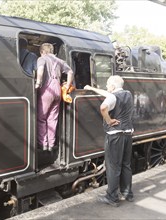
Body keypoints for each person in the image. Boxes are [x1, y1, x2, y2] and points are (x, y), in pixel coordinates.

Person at [84, 75, 134, 207]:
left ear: (112, 86)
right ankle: (127, 193)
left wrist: (109, 120)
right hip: (128, 134)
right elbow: (109, 94)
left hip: (115, 135)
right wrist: (92, 88)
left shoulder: (112, 97)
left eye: (107, 84)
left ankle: (112, 197)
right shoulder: (128, 94)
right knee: (126, 165)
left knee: (113, 166)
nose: (106, 87)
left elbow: (103, 107)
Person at [35, 43, 74, 151]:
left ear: (42, 51)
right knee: (53, 118)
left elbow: (41, 70)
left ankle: (43, 144)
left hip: (47, 90)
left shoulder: (42, 59)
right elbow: (70, 72)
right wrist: (67, 85)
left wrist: (38, 83)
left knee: (41, 118)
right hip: (57, 90)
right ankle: (51, 144)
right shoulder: (60, 61)